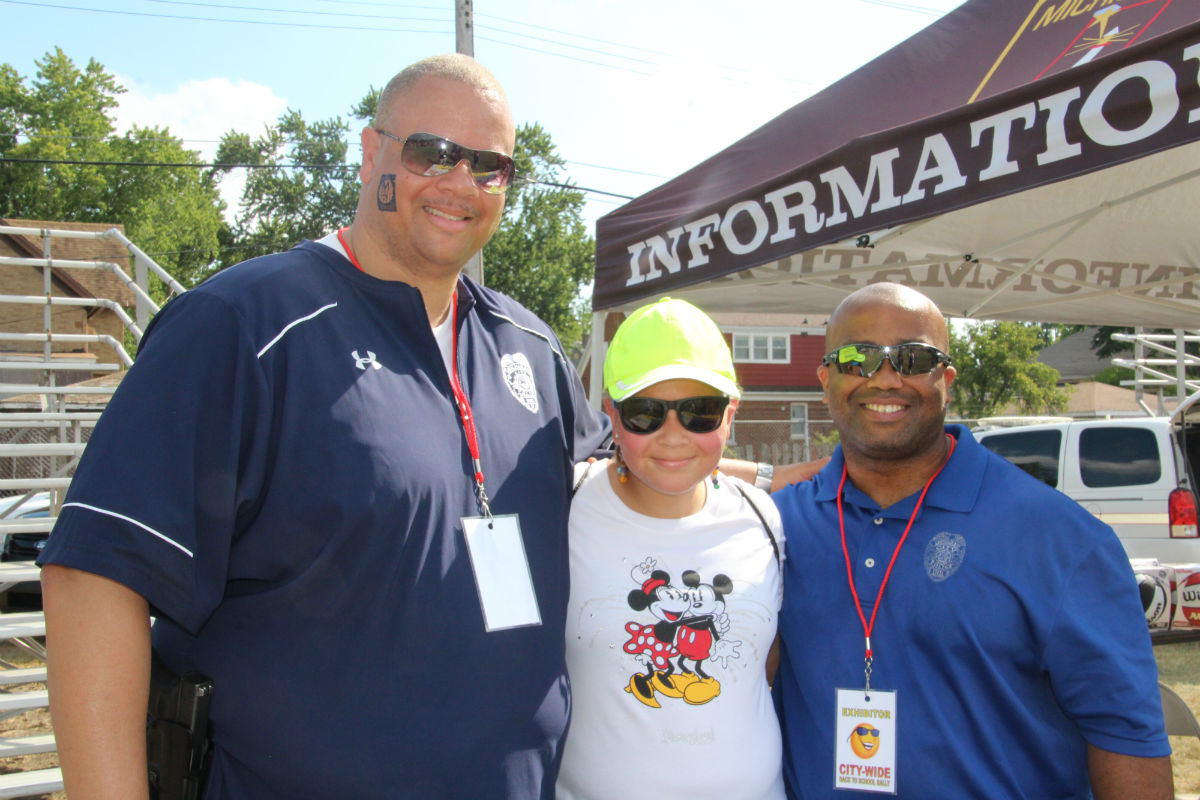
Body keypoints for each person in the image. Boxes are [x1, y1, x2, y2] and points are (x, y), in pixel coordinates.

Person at [37, 54, 612, 799]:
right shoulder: (243, 323)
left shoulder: (529, 348)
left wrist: (772, 482)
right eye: (432, 152)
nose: (460, 182)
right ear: (372, 152)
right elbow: (93, 578)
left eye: (490, 166)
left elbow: (619, 475)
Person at [771, 282, 1174, 799]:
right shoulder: (775, 530)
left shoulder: (1060, 538)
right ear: (826, 379)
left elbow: (1126, 737)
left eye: (914, 358)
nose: (886, 378)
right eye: (858, 359)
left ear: (948, 379)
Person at [557, 297, 786, 800]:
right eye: (646, 414)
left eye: (699, 413)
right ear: (611, 417)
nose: (674, 436)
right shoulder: (564, 507)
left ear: (731, 414)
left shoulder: (764, 519)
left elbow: (764, 662)